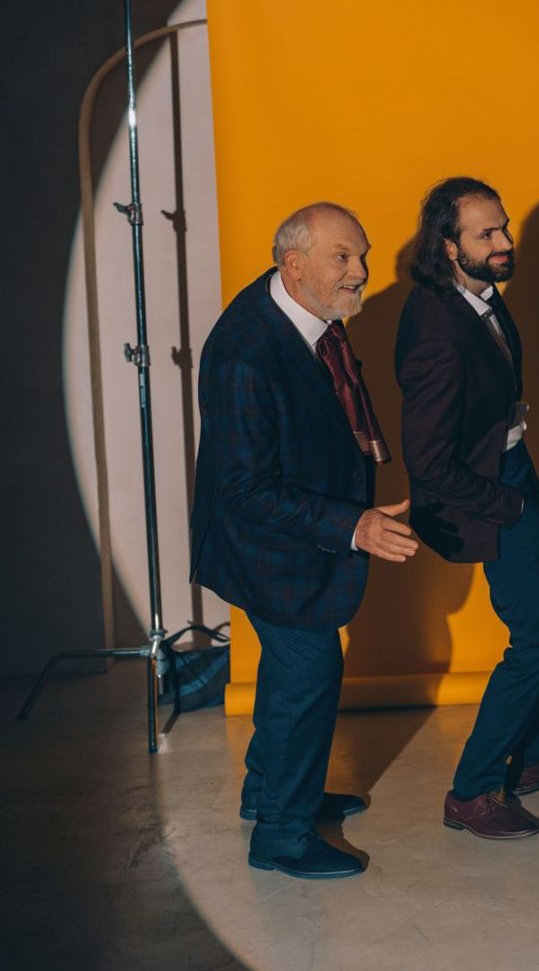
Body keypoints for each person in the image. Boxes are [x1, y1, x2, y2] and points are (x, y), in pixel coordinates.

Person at [191, 201, 418, 880]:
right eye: (342, 257)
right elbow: (244, 487)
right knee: (308, 673)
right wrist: (355, 525)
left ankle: (267, 791)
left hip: (292, 537)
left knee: (291, 672)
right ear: (293, 265)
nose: (362, 271)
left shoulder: (304, 311)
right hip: (267, 545)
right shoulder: (246, 352)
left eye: (362, 254)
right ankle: (282, 835)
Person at [395, 177, 539, 840]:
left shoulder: (478, 296)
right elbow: (429, 464)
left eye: (504, 227)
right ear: (448, 246)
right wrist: (510, 504)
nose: (504, 241)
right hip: (494, 491)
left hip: (514, 468)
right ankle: (470, 792)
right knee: (538, 639)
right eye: (486, 233)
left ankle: (531, 758)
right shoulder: (436, 332)